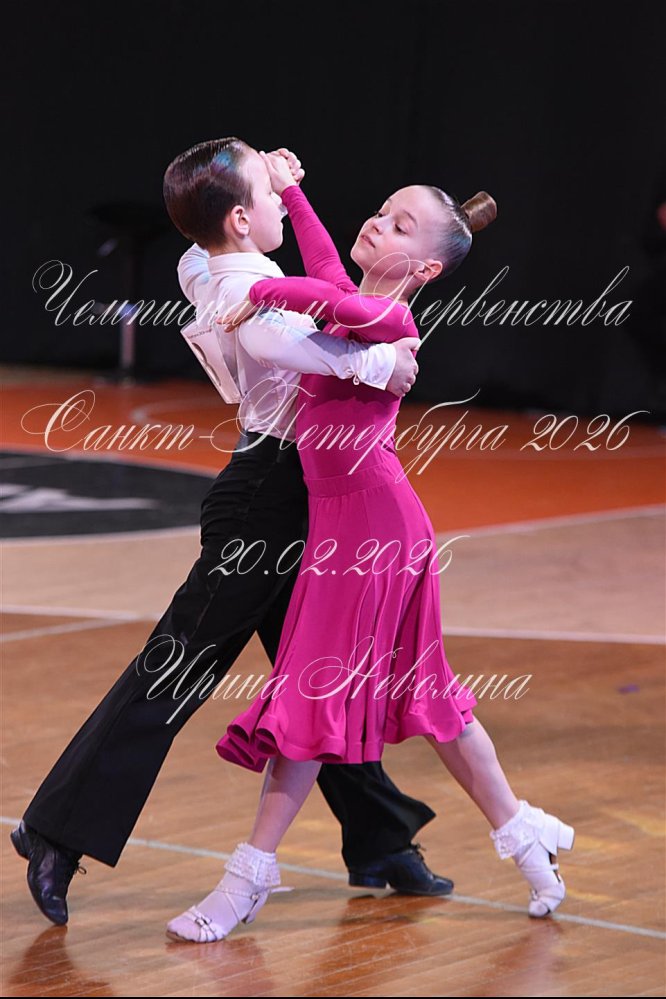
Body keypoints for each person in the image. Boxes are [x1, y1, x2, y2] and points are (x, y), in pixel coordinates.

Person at [10, 139, 454, 928]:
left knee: (317, 678)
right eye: (266, 193)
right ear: (241, 219)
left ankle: (381, 837)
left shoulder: (212, 261)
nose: (281, 196)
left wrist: (273, 186)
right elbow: (287, 337)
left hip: (301, 494)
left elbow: (288, 275)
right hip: (264, 503)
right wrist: (381, 366)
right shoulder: (243, 287)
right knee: (181, 662)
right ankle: (56, 829)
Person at [165, 153, 576, 944]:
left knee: (312, 695)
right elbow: (324, 271)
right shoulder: (356, 302)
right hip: (356, 527)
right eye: (382, 210)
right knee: (429, 693)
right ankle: (523, 833)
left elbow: (323, 295)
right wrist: (293, 192)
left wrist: (260, 289)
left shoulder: (393, 324)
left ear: (424, 267)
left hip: (374, 532)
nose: (377, 223)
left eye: (399, 224)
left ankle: (247, 876)